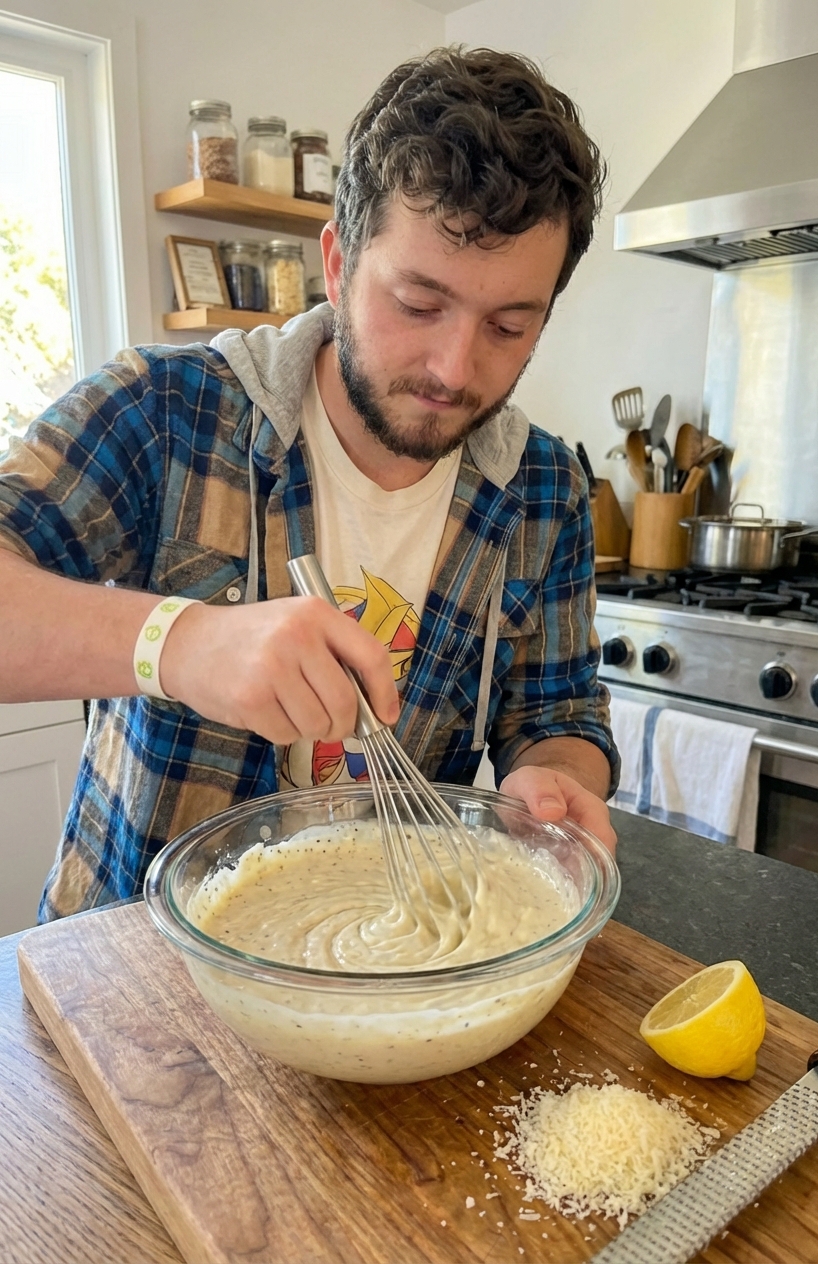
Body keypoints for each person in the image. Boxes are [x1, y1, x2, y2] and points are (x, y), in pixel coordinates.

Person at [0, 46, 619, 923]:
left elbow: (558, 714)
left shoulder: (544, 489)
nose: (455, 366)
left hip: (385, 968)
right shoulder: (166, 413)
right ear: (336, 264)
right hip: (129, 976)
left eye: (509, 325)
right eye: (417, 304)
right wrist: (180, 645)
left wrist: (552, 783)